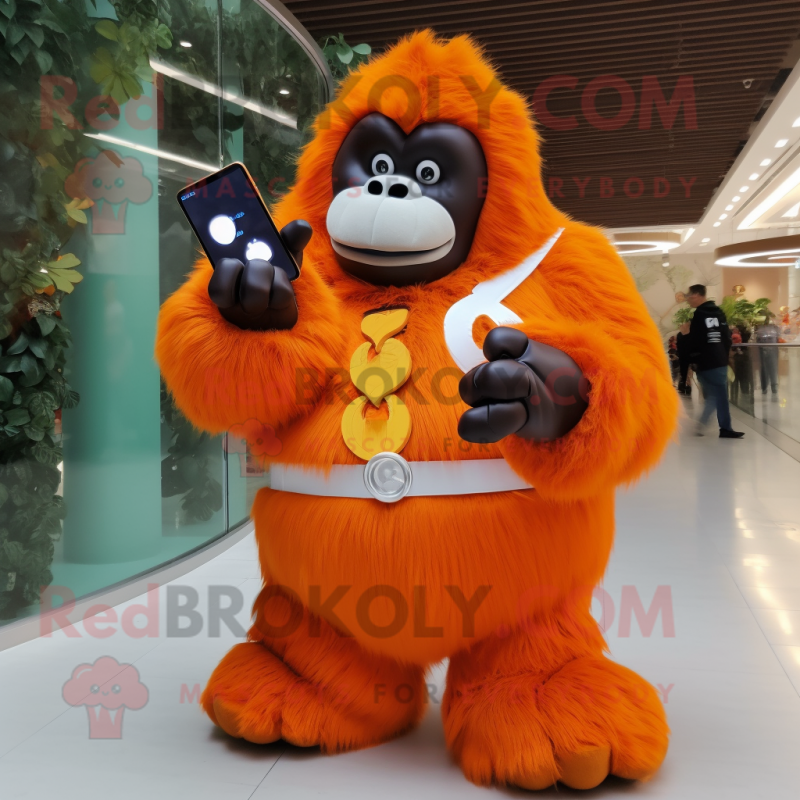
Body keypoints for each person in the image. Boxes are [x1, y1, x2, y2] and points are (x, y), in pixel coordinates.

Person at [685, 284, 744, 438]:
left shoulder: (699, 315)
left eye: (689, 296)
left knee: (714, 395)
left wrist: (693, 360)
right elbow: (726, 337)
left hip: (704, 362)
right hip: (717, 360)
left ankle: (715, 426)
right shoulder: (718, 313)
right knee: (718, 395)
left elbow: (695, 339)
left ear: (697, 295)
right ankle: (720, 427)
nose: (688, 299)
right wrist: (725, 356)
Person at [755, 315, 780, 394]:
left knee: (772, 368)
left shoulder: (774, 328)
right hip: (764, 350)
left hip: (772, 350)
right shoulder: (760, 329)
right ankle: (765, 387)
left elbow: (778, 338)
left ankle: (773, 386)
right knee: (765, 368)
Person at [676, 321, 692, 395]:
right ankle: (687, 386)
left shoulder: (680, 334)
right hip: (688, 356)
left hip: (683, 356)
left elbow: (678, 346)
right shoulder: (690, 335)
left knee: (684, 372)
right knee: (687, 371)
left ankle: (683, 386)